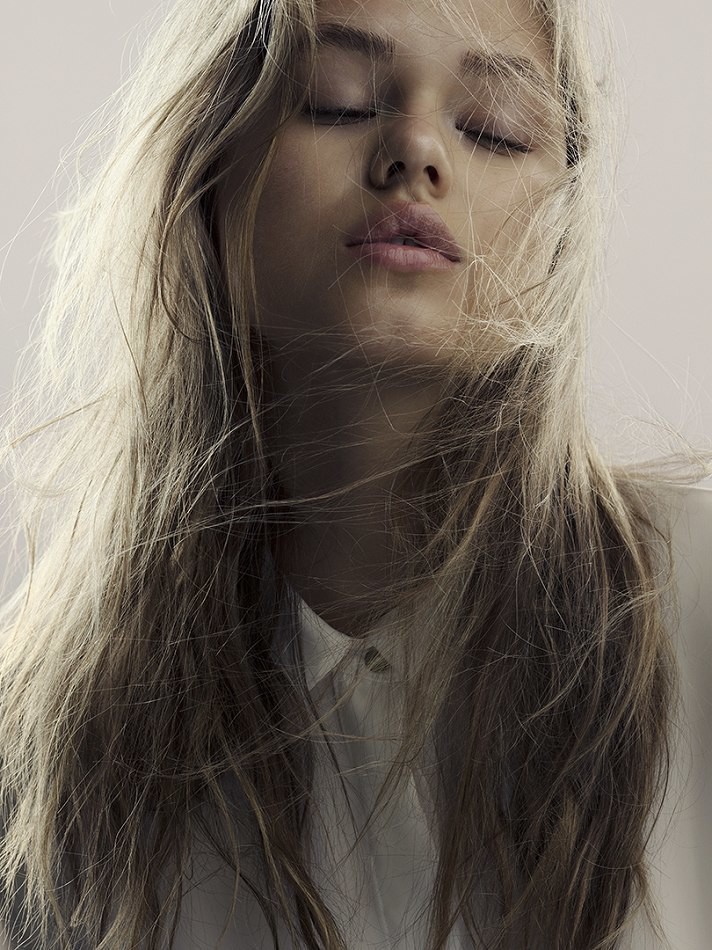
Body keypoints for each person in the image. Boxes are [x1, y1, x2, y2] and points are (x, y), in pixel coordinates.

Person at [0, 0, 709, 947]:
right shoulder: (45, 735)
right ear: (207, 169)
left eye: (495, 128)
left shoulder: (694, 598)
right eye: (336, 101)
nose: (417, 149)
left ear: (563, 227)